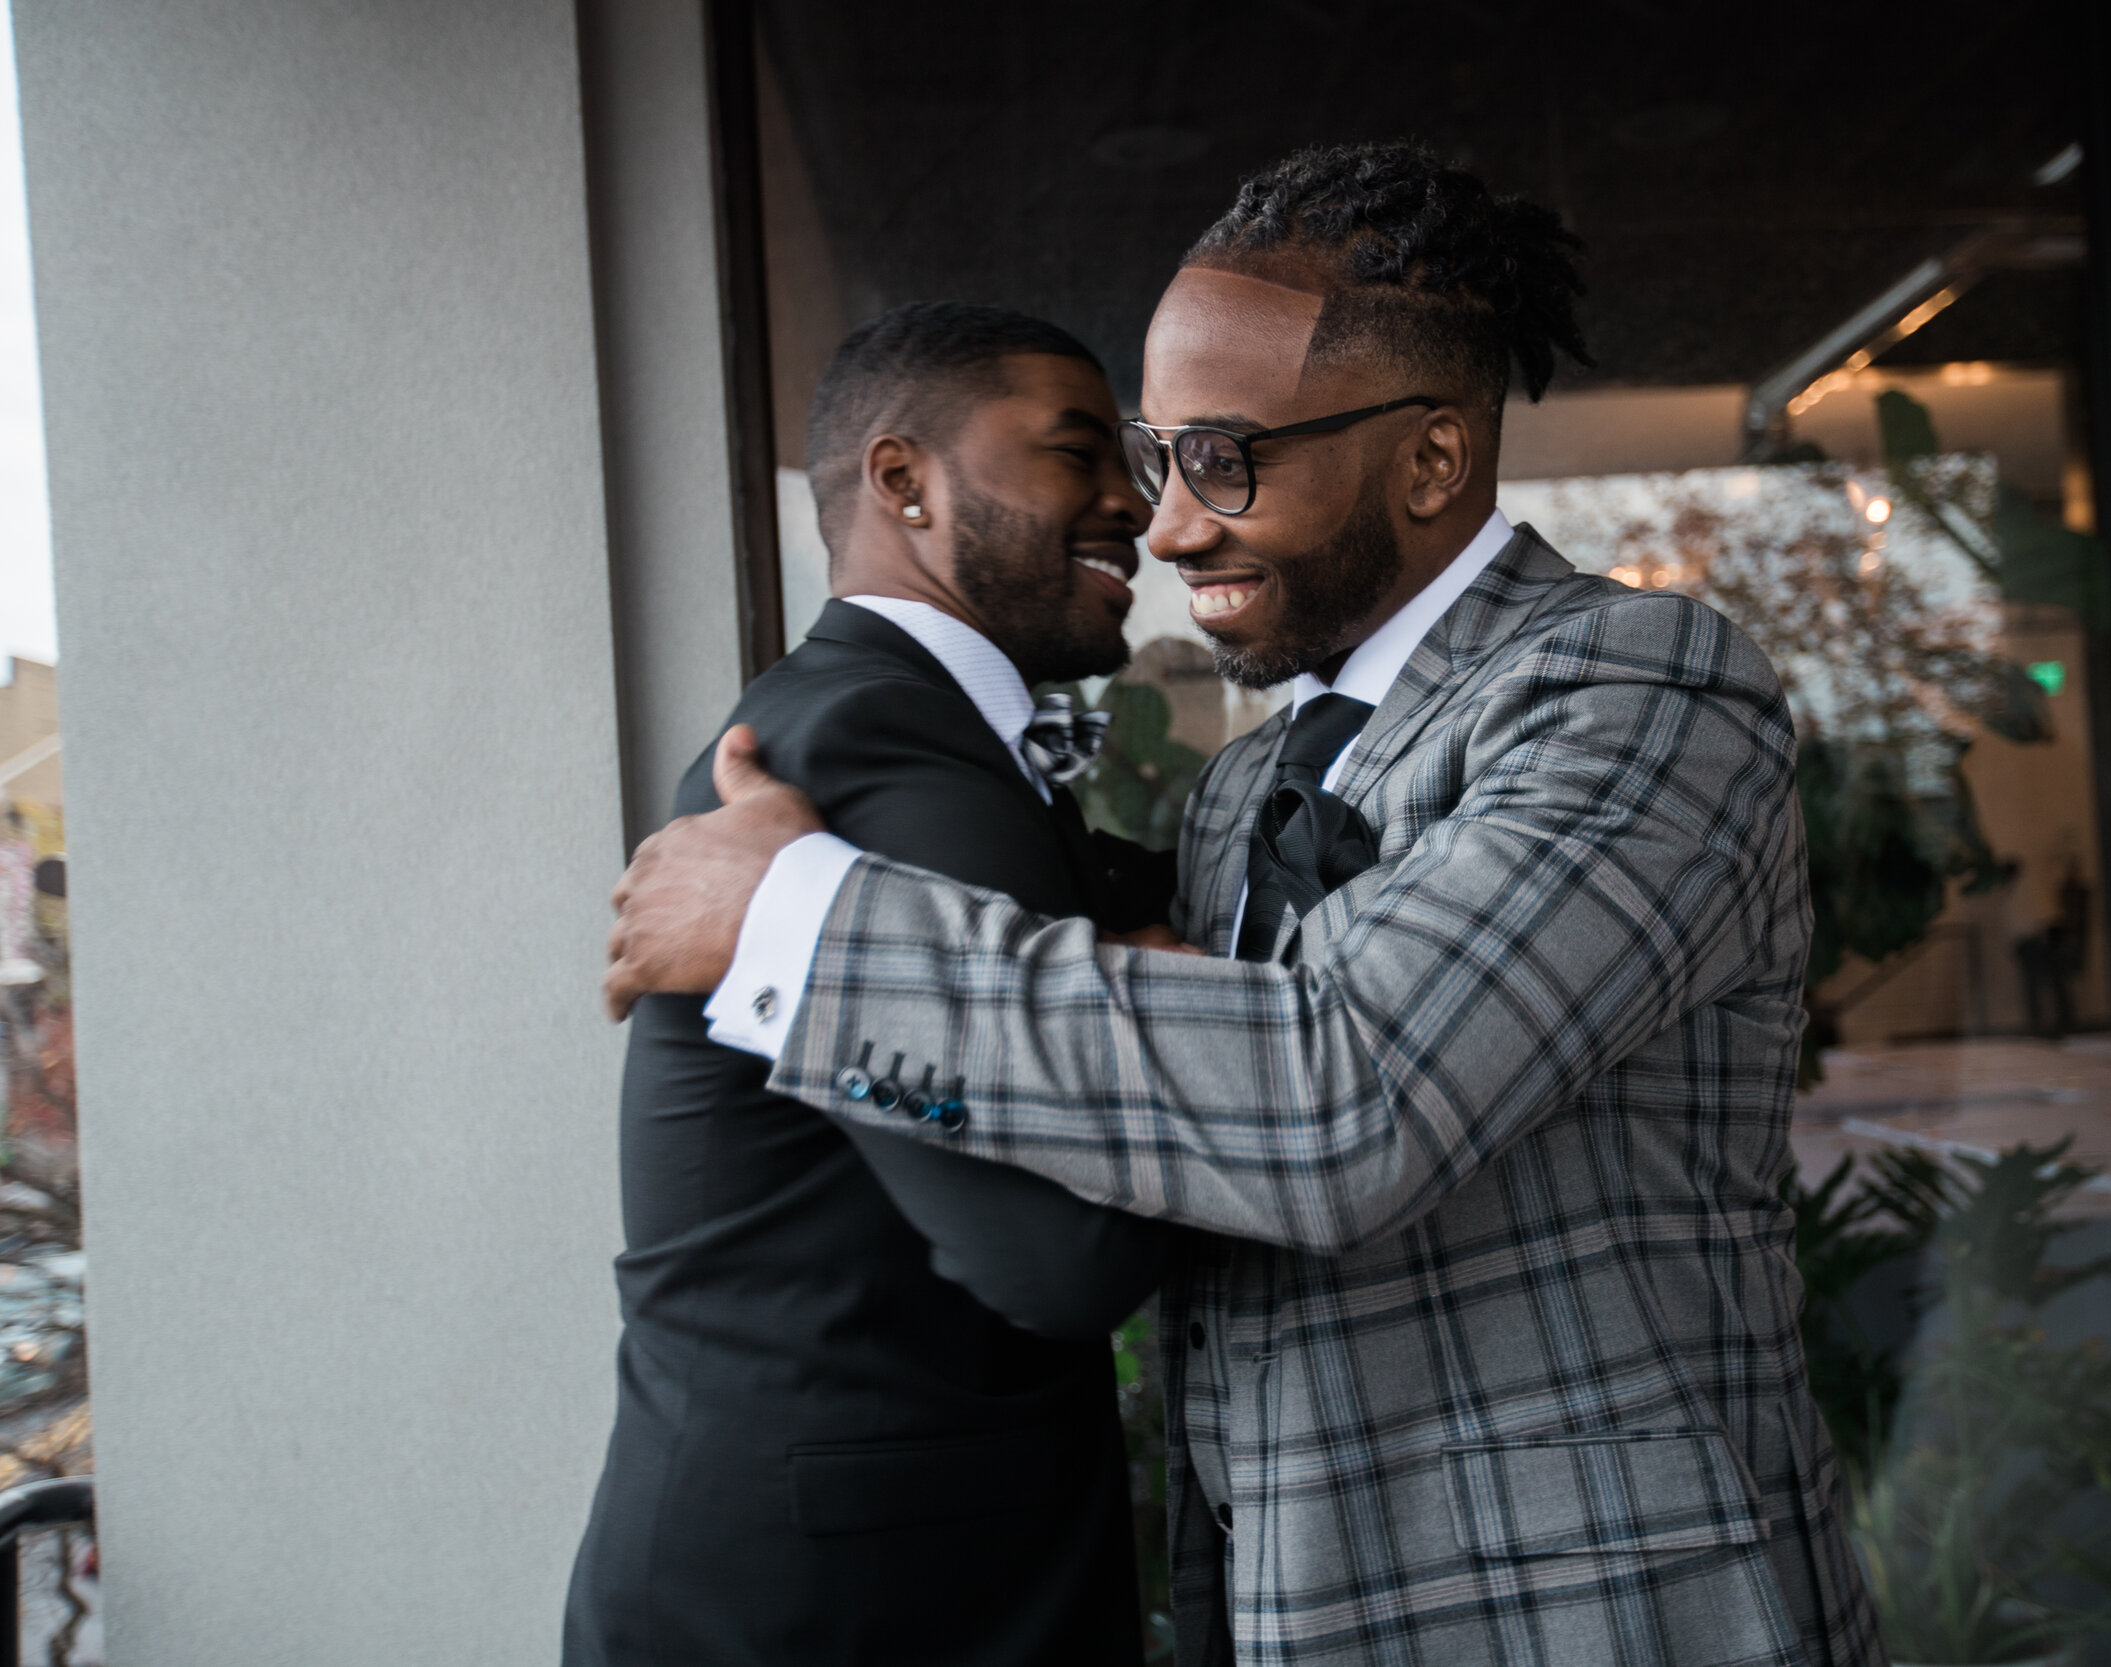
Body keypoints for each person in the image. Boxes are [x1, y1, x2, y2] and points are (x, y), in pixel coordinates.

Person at [607, 144, 1882, 1667]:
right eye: (1158, 456)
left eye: (1228, 459)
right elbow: (1211, 1107)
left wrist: (796, 923)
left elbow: (1340, 1094)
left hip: (1596, 1613)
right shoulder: (1243, 779)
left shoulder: (1637, 686)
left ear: (1428, 460)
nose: (1165, 527)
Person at [565, 302, 1180, 1667]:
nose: (1133, 499)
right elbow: (1060, 1255)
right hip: (843, 1604)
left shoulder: (889, 726)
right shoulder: (875, 745)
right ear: (903, 481)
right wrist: (1170, 1024)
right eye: (1078, 452)